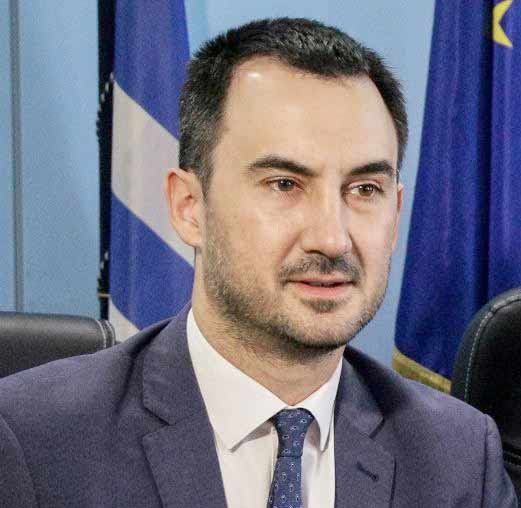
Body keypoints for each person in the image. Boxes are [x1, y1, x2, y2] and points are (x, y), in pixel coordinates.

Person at [0, 17, 516, 508]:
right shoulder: (36, 442)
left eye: (364, 189)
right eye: (285, 184)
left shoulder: (459, 459)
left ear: (397, 212)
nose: (332, 238)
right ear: (189, 208)